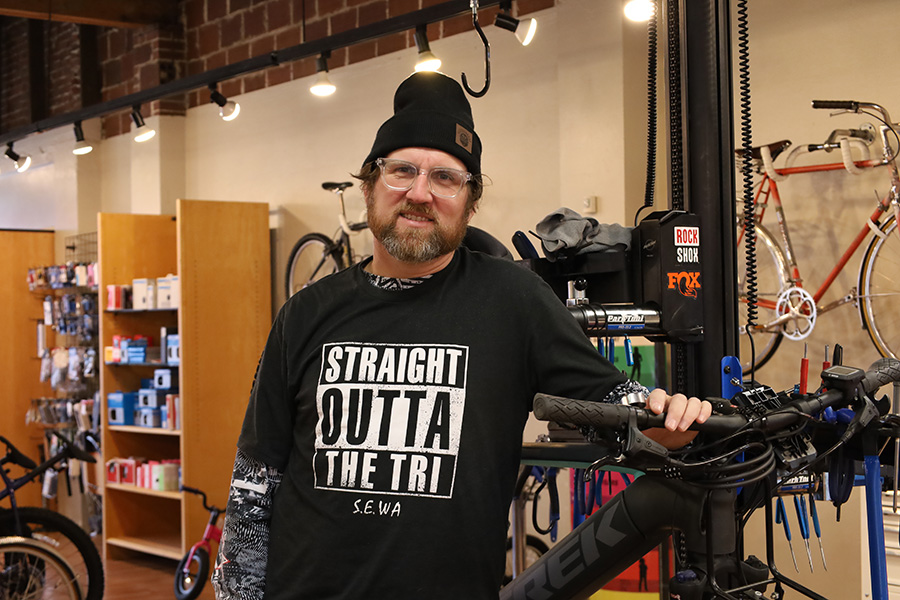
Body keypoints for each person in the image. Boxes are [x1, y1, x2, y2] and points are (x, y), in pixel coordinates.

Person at [211, 71, 711, 600]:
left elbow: (622, 417)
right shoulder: (305, 313)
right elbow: (255, 482)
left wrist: (676, 417)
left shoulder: (513, 301)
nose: (420, 193)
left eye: (445, 177)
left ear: (470, 200)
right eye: (402, 170)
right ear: (370, 185)